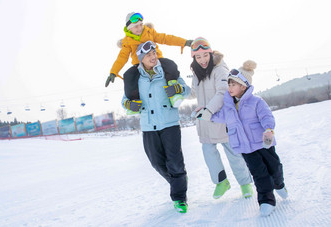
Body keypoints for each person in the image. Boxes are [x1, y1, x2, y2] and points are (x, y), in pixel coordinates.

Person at [210, 60, 288, 216]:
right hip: (245, 147)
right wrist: (207, 114)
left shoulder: (256, 101)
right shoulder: (229, 106)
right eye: (229, 85)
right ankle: (266, 200)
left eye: (233, 84)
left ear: (243, 86)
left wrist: (268, 129)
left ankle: (279, 184)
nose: (230, 88)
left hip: (262, 143)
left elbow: (267, 116)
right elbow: (220, 117)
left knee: (274, 168)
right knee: (259, 173)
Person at [121, 41, 191, 213]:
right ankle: (179, 181)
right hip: (148, 127)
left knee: (175, 162)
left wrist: (177, 88)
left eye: (153, 53)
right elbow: (124, 101)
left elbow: (186, 89)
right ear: (140, 59)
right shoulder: (134, 78)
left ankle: (180, 198)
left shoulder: (167, 71)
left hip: (170, 124)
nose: (152, 57)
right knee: (157, 163)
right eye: (147, 55)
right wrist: (130, 105)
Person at [189, 37, 253, 199]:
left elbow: (223, 91)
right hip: (204, 121)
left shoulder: (220, 69)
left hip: (222, 118)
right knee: (208, 152)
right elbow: (193, 93)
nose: (202, 60)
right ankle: (221, 182)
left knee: (233, 153)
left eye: (205, 55)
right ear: (194, 58)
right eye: (198, 57)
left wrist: (209, 110)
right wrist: (177, 90)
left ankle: (245, 183)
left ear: (210, 53)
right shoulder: (196, 73)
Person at [107, 12, 192, 112]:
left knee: (170, 64)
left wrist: (184, 42)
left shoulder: (149, 32)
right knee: (129, 76)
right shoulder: (127, 42)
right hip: (139, 65)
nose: (139, 28)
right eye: (136, 27)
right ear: (129, 28)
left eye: (140, 25)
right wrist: (113, 72)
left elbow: (166, 38)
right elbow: (121, 58)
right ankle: (133, 102)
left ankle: (173, 92)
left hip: (157, 59)